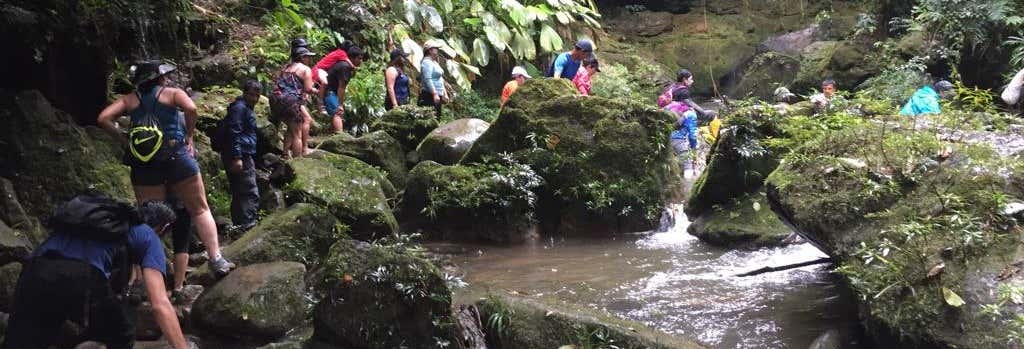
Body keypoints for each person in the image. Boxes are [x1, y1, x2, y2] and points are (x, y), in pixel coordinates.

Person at [96, 61, 235, 277]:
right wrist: (189, 135)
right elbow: (191, 108)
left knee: (150, 219)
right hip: (176, 156)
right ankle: (216, 259)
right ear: (158, 78)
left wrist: (124, 139)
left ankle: (139, 277)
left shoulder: (130, 99)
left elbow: (103, 118)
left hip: (144, 163)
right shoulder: (172, 94)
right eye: (164, 76)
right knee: (199, 208)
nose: (167, 79)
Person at [3, 197, 188, 349]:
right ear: (163, 228)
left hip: (35, 269)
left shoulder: (102, 221)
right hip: (82, 275)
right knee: (122, 334)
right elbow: (160, 304)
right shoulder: (148, 235)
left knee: (24, 340)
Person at [216, 80, 261, 232]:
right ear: (244, 93)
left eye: (257, 96)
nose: (254, 99)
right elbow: (233, 132)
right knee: (249, 189)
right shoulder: (240, 108)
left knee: (239, 190)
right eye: (251, 95)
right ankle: (249, 224)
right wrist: (237, 157)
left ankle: (239, 224)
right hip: (240, 153)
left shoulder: (243, 107)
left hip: (239, 151)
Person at [270, 46, 318, 158]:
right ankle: (298, 161)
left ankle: (285, 154)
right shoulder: (305, 69)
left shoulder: (286, 67)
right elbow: (308, 89)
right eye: (307, 57)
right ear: (302, 57)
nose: (309, 60)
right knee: (297, 134)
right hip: (290, 101)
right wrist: (318, 90)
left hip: (275, 100)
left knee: (291, 127)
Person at [325, 45, 365, 132]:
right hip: (329, 91)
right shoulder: (344, 67)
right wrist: (340, 104)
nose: (361, 61)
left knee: (336, 114)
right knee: (337, 113)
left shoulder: (345, 65)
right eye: (359, 58)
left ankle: (334, 138)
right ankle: (341, 140)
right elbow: (342, 87)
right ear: (352, 58)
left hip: (330, 91)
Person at [664, 87, 699, 175]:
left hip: (664, 139)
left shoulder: (667, 108)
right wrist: (694, 154)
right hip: (678, 140)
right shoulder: (690, 113)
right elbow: (692, 136)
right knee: (688, 167)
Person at [419, 41, 448, 117]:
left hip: (437, 94)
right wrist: (434, 94)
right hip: (429, 95)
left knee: (436, 118)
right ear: (429, 50)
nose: (437, 49)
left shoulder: (434, 62)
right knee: (429, 119)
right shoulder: (426, 62)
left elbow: (440, 78)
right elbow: (427, 79)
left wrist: (445, 93)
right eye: (436, 48)